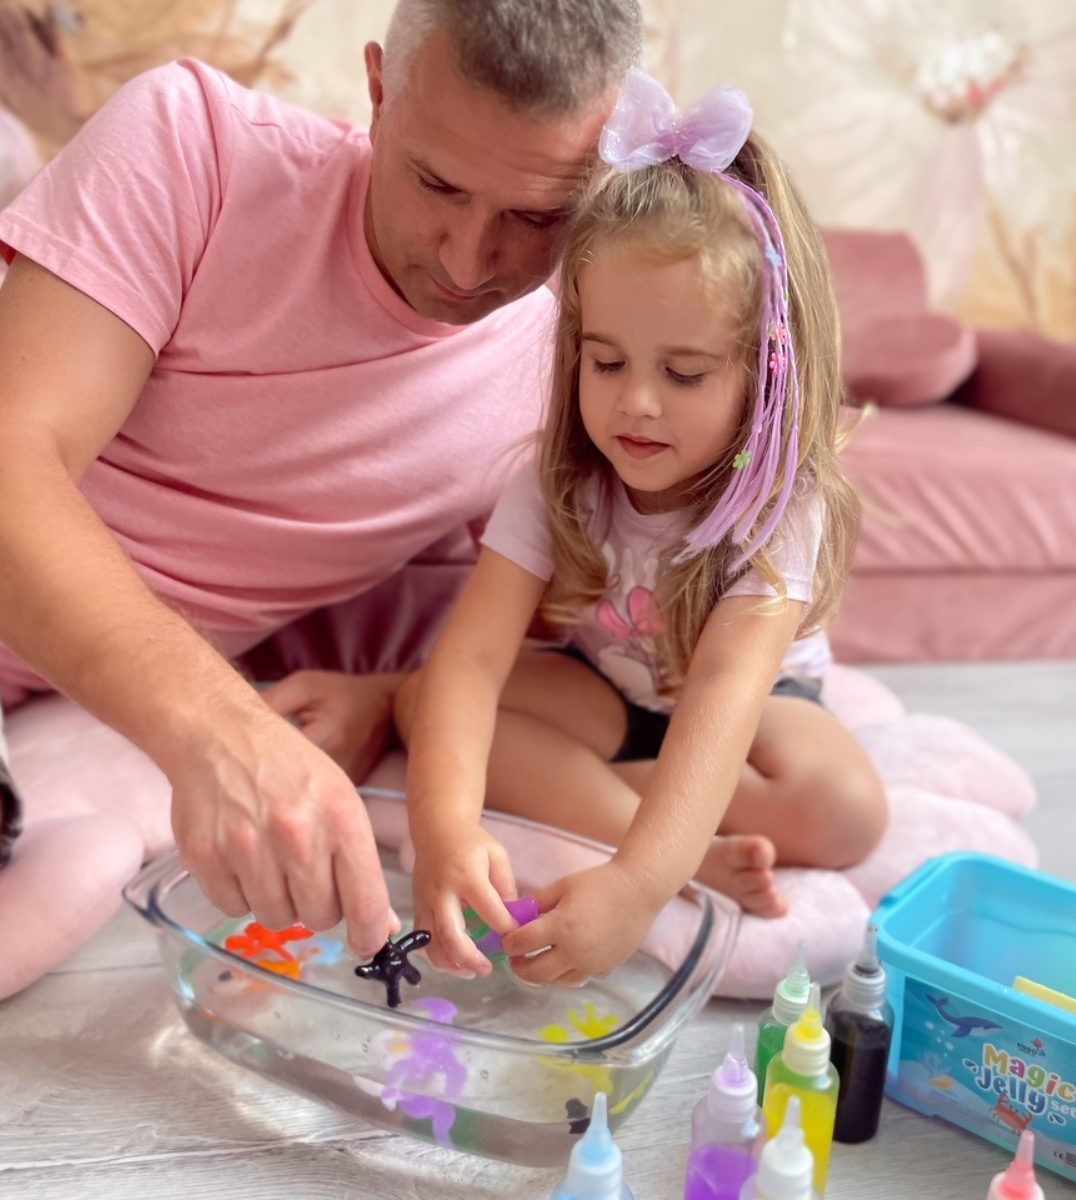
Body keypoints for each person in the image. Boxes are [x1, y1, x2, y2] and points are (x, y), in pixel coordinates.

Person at [0, 0, 642, 999]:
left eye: (536, 217)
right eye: (435, 183)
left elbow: (591, 648)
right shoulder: (193, 145)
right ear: (378, 91)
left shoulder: (578, 361)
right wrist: (219, 733)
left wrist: (390, 701)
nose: (466, 262)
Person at [302, 70, 888, 985]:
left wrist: (638, 885)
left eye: (684, 374)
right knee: (426, 705)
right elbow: (471, 662)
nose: (637, 404)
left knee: (847, 809)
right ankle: (681, 839)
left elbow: (724, 693)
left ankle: (645, 826)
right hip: (604, 687)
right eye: (606, 362)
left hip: (753, 713)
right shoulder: (556, 482)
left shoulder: (781, 506)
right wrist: (445, 830)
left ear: (766, 373)